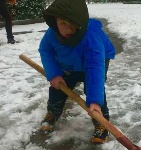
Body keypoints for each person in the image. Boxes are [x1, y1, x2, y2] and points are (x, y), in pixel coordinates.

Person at [38, 0, 115, 144]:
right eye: (63, 23)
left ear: (80, 22)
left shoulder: (92, 39)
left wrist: (94, 101)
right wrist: (54, 74)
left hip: (94, 62)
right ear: (55, 22)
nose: (67, 29)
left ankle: (101, 122)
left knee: (93, 90)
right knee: (59, 87)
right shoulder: (51, 34)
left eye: (72, 24)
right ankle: (53, 112)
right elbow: (45, 50)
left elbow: (95, 70)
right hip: (69, 63)